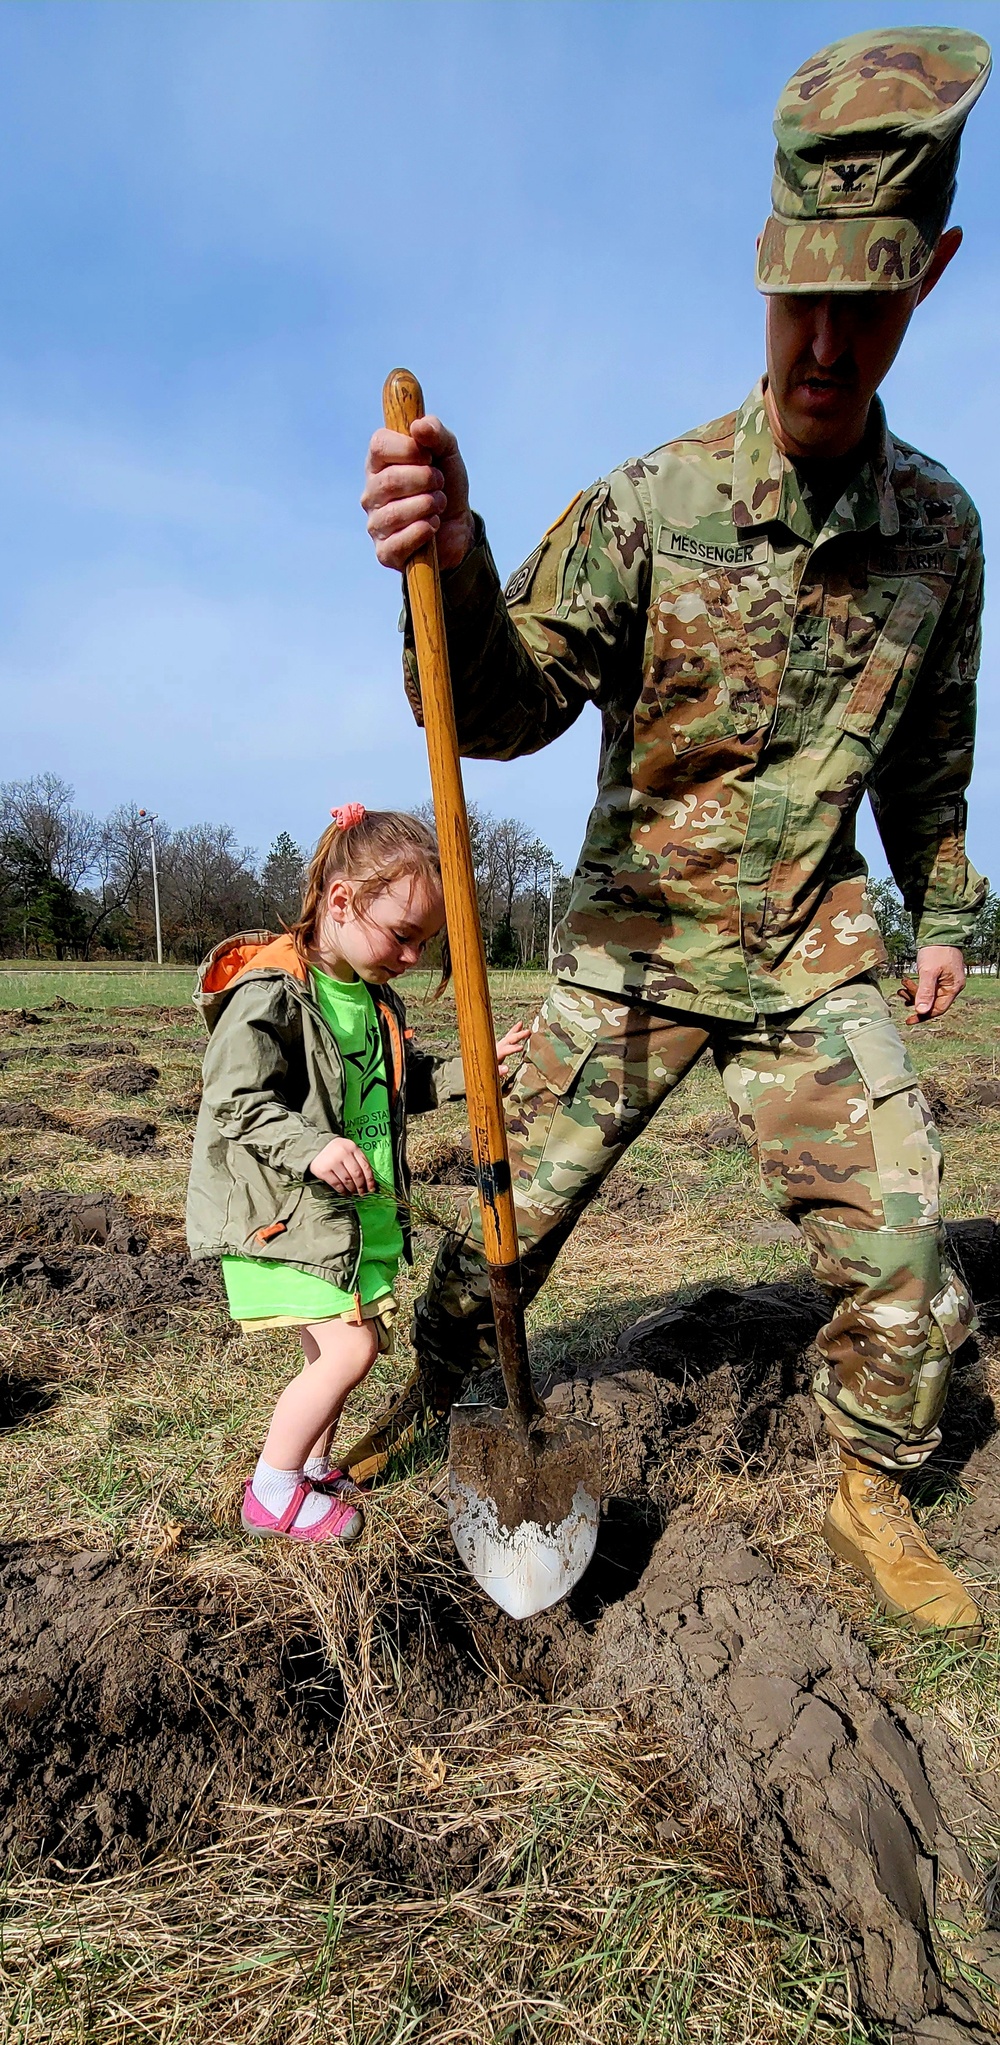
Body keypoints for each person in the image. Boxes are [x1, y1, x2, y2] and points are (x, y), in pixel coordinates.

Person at [352, 26, 993, 1637]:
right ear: (759, 275)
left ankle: (867, 1489)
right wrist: (449, 560)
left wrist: (949, 920)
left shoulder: (943, 538)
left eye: (870, 302)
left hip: (808, 952)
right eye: (801, 300)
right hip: (635, 947)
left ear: (933, 280)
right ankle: (417, 1400)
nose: (827, 344)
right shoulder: (653, 506)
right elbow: (495, 710)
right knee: (498, 1227)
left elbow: (930, 769)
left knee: (912, 1248)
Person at [186, 805, 527, 1544]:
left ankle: (311, 1465)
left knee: (337, 1347)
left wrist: (476, 1072)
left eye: (424, 944)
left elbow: (399, 1084)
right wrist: (309, 1145)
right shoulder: (274, 991)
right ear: (341, 902)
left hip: (350, 1218)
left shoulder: (374, 1000)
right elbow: (232, 1100)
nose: (411, 957)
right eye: (402, 936)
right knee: (352, 1349)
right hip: (288, 1213)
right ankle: (271, 1491)